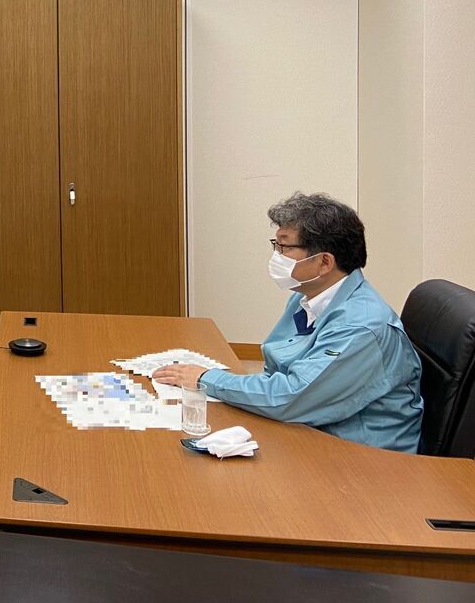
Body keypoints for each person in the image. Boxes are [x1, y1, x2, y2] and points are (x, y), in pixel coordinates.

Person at [153, 192, 423, 453]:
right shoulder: (307, 297)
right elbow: (277, 370)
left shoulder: (362, 327)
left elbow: (290, 397)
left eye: (284, 247)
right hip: (313, 426)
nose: (276, 256)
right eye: (276, 245)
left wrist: (206, 378)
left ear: (324, 262)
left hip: (363, 457)